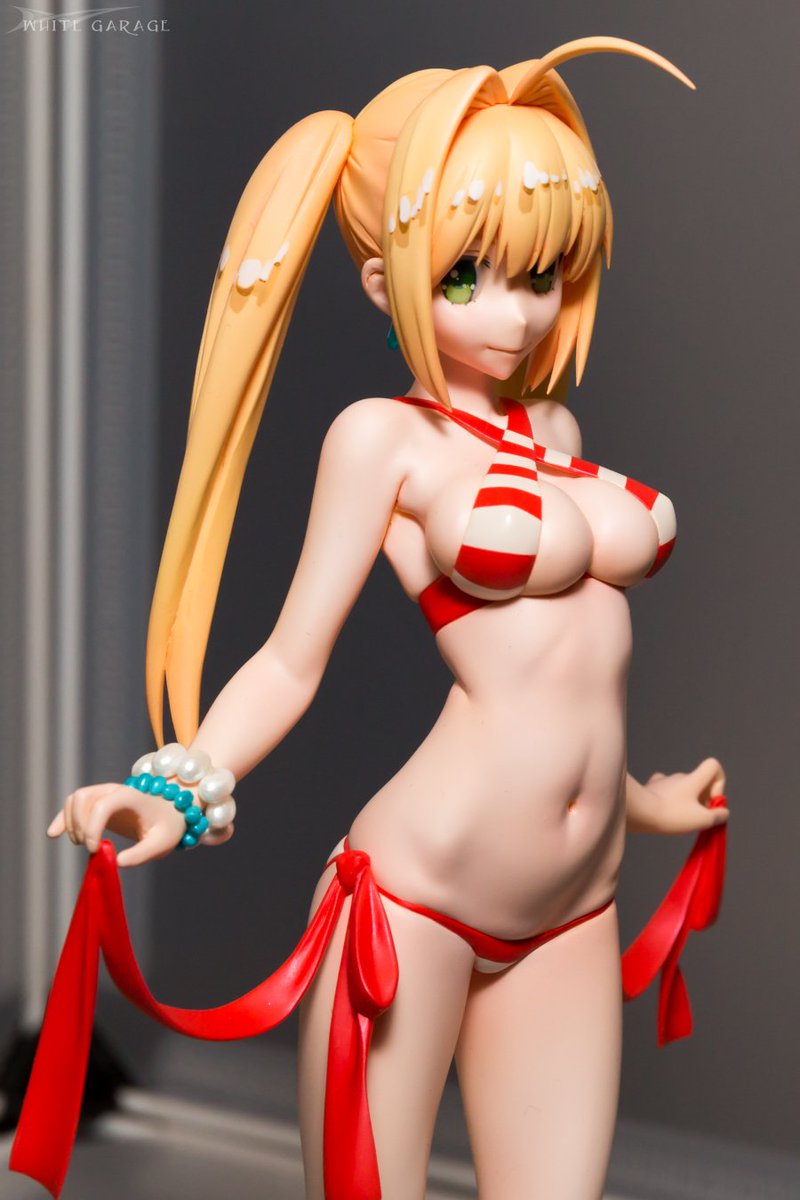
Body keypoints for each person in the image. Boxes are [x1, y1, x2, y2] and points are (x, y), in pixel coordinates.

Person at [14, 35, 729, 1200]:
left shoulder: (552, 431)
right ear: (383, 278)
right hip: (418, 898)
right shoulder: (380, 441)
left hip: (575, 901)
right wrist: (178, 786)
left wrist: (646, 804)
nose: (515, 314)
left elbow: (562, 673)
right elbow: (290, 661)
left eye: (540, 273)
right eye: (467, 276)